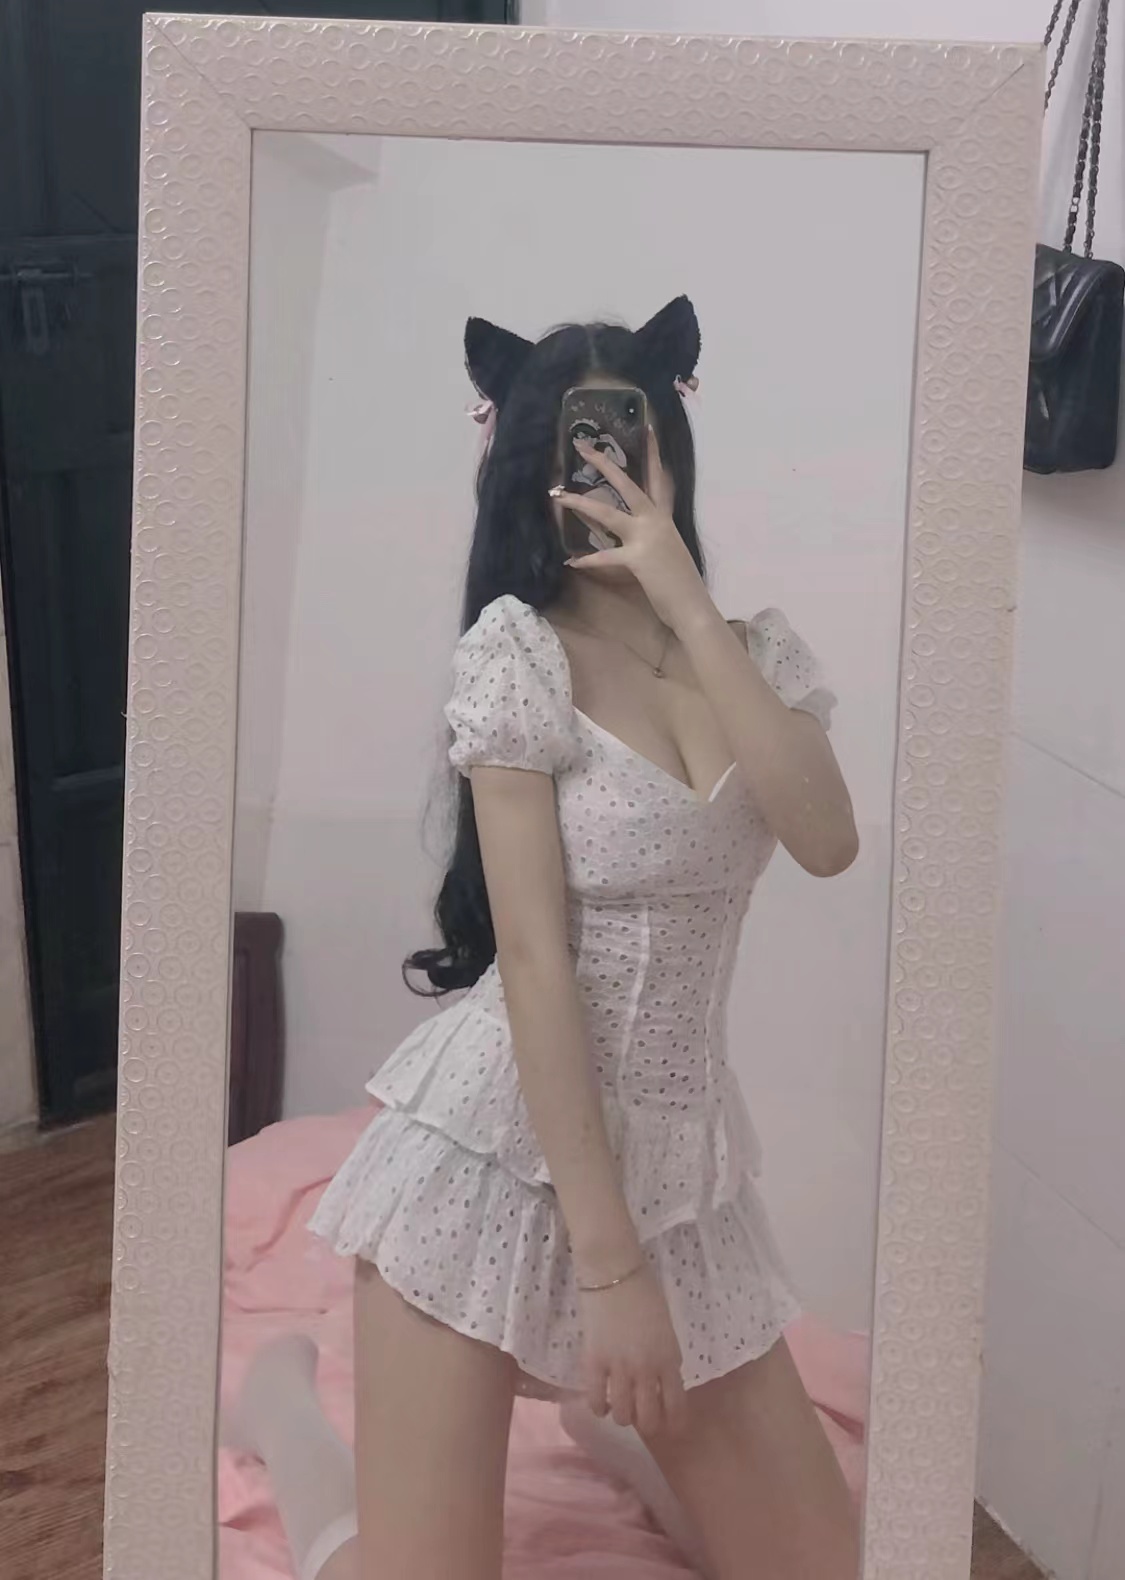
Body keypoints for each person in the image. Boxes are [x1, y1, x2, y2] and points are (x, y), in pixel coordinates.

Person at [236, 295, 861, 1580]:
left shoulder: (753, 653)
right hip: (496, 1151)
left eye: (630, 432)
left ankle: (612, 1434)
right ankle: (281, 1405)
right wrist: (611, 1273)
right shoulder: (517, 653)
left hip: (684, 1168)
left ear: (671, 441)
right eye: (577, 441)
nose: (607, 463)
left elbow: (826, 835)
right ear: (530, 462)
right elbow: (530, 963)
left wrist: (685, 598)